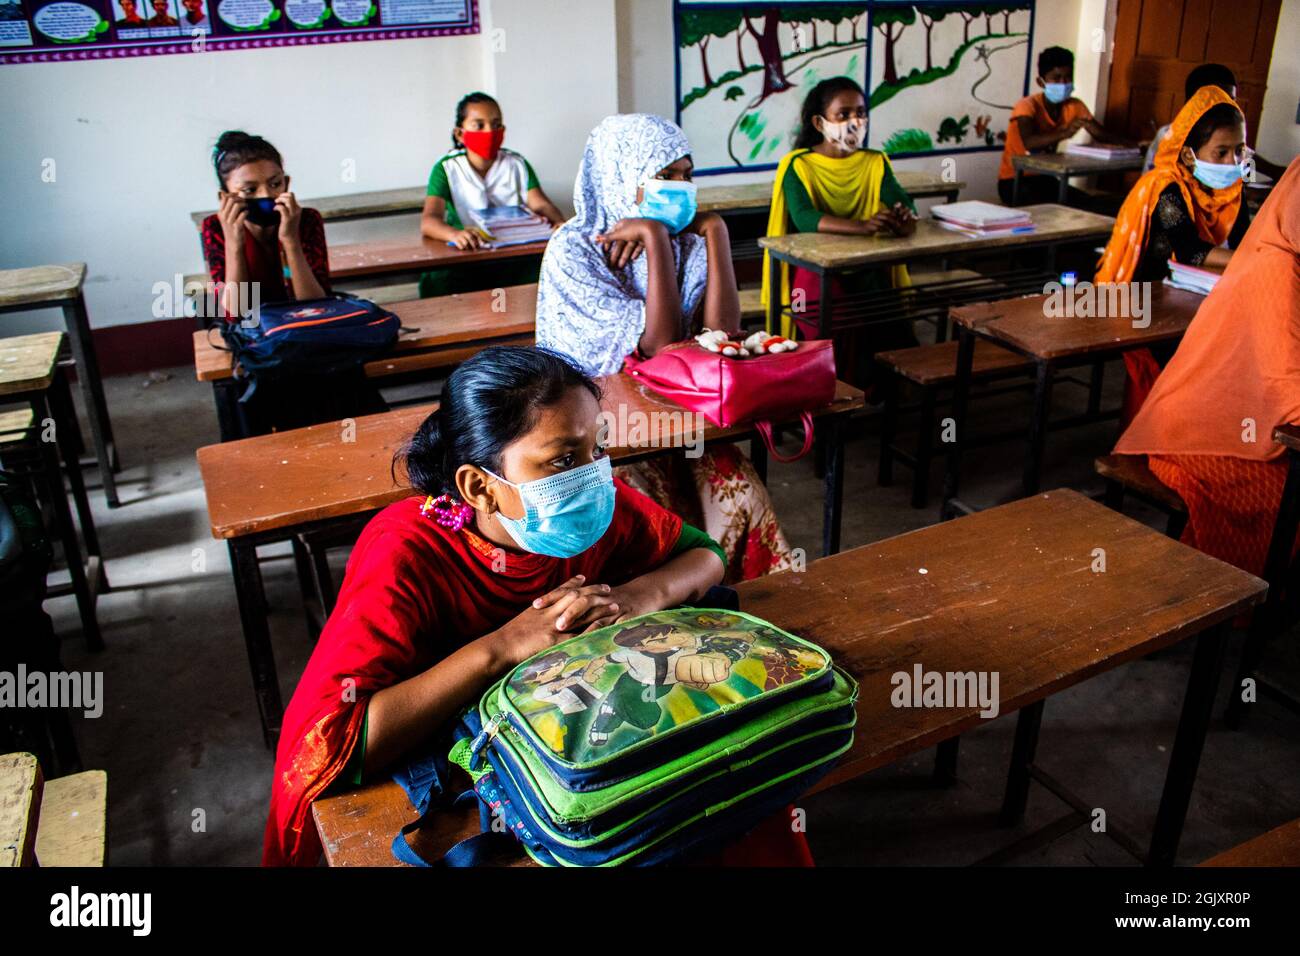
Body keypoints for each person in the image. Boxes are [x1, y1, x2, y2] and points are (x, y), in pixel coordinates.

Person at [263, 346, 812, 867]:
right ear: (480, 487)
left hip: (576, 736)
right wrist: (505, 646)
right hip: (457, 768)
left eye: (596, 448)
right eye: (562, 459)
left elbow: (703, 555)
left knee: (731, 804)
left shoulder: (594, 510)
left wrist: (637, 596)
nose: (593, 473)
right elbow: (335, 744)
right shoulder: (404, 552)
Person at [535, 113, 793, 583]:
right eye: (665, 175)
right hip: (599, 430)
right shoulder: (573, 248)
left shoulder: (688, 242)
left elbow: (721, 335)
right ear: (623, 175)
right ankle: (667, 616)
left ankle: (748, 605)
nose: (682, 187)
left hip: (678, 412)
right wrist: (654, 240)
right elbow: (659, 346)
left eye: (688, 175)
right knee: (652, 523)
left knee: (741, 495)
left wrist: (716, 234)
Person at [1113, 157, 1300, 578]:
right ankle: (1233, 598)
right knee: (1280, 496)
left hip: (1252, 414)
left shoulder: (1245, 211)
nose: (1233, 161)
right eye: (1221, 151)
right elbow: (1286, 390)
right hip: (1203, 430)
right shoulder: (1278, 268)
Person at [201, 130, 385, 434]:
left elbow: (317, 305)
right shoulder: (215, 228)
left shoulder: (306, 220)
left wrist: (290, 239)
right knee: (252, 392)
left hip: (309, 341)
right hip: (259, 346)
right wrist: (235, 243)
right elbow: (237, 313)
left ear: (286, 184)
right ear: (226, 198)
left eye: (274, 184)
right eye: (249, 190)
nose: (265, 196)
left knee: (340, 384)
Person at [1096, 86, 1251, 421]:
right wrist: (1261, 260)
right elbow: (1192, 252)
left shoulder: (1233, 190)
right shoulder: (1166, 186)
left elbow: (1242, 244)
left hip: (1194, 292)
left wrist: (1258, 256)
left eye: (1239, 150)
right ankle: (1155, 437)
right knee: (1193, 359)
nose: (1232, 162)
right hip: (1146, 298)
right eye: (1221, 152)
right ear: (1189, 155)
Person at [762, 76, 917, 391]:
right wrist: (863, 227)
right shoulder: (798, 165)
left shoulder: (874, 162)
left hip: (864, 264)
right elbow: (804, 218)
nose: (854, 122)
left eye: (860, 113)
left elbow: (903, 202)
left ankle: (875, 392)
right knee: (839, 325)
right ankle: (831, 395)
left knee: (889, 322)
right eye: (843, 114)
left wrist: (904, 218)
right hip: (813, 268)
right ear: (820, 122)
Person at [418, 92, 566, 298]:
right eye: (479, 125)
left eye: (496, 125)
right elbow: (429, 221)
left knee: (547, 274)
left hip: (513, 253)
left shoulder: (517, 164)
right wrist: (455, 235)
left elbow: (540, 204)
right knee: (437, 281)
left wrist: (559, 223)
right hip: (468, 252)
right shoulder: (447, 168)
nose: (490, 131)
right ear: (460, 133)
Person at [997, 46, 1130, 206]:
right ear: (1041, 82)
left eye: (1068, 77)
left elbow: (1100, 133)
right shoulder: (1027, 106)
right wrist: (1065, 133)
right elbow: (1030, 142)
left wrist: (1135, 146)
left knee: (1091, 204)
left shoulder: (1074, 106)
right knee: (1059, 209)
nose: (1063, 83)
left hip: (1046, 178)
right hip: (1014, 181)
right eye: (1056, 77)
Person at [1143, 63, 1286, 180]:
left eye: (1232, 100)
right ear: (1193, 102)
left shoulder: (1225, 134)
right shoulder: (1171, 136)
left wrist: (1277, 172)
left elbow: (1247, 166)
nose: (1229, 107)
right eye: (1219, 100)